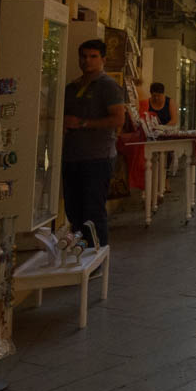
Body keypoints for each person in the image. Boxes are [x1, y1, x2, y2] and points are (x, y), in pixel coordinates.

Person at [61, 38, 127, 245]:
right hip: (71, 156)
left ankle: (97, 256)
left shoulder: (108, 86)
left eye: (93, 56)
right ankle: (80, 254)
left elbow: (118, 119)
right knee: (73, 210)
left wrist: (82, 123)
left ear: (103, 59)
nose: (87, 61)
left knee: (93, 210)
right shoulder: (72, 87)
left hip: (97, 157)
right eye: (83, 56)